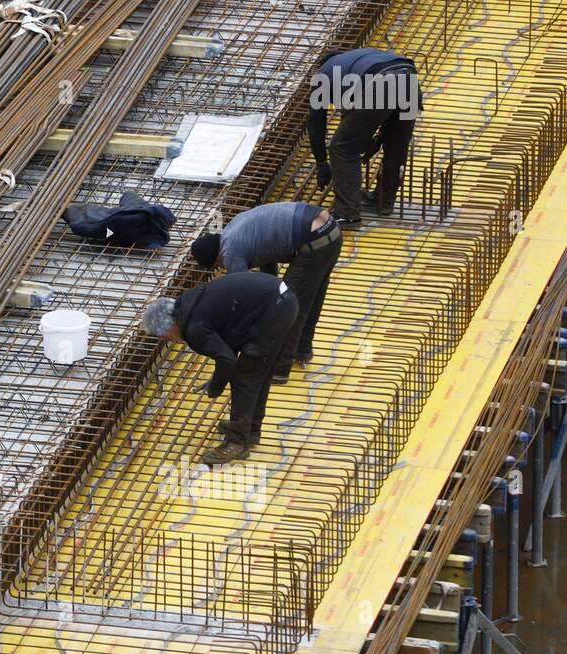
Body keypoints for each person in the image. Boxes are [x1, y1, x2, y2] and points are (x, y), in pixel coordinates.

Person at [141, 273, 298, 465]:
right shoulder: (188, 305)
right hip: (283, 301)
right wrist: (218, 377)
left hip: (274, 311)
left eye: (165, 337)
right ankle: (250, 430)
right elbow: (226, 342)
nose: (170, 340)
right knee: (258, 373)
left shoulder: (193, 327)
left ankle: (236, 442)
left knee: (245, 377)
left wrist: (216, 387)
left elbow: (227, 359)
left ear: (169, 327)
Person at [188, 201, 340, 381]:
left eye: (218, 265)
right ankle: (302, 348)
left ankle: (279, 369)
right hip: (331, 229)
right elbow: (268, 256)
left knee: (290, 304)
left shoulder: (230, 252)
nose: (223, 267)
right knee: (311, 294)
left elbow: (245, 294)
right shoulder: (234, 229)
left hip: (314, 239)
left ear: (217, 256)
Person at [308, 47, 421, 227]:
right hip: (409, 81)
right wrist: (378, 138)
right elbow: (372, 115)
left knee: (342, 148)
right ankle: (384, 201)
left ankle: (347, 214)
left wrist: (321, 163)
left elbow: (316, 123)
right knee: (396, 145)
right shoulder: (361, 58)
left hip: (382, 82)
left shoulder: (324, 72)